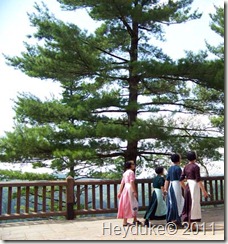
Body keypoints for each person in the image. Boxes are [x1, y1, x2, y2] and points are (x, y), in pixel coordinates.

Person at [180, 151, 209, 230]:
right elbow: (198, 180)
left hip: (188, 186)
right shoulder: (196, 167)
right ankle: (192, 226)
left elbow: (181, 179)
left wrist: (185, 187)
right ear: (195, 157)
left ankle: (189, 225)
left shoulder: (186, 167)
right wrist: (204, 191)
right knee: (194, 205)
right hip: (194, 186)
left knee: (188, 204)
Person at [117, 160, 142, 226]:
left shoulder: (125, 173)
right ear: (130, 165)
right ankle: (132, 220)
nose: (134, 165)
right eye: (133, 164)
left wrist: (119, 191)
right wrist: (134, 191)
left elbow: (122, 182)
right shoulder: (131, 172)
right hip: (130, 188)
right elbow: (131, 182)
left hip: (125, 188)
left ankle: (132, 220)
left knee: (126, 204)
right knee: (134, 203)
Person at [164, 153, 185, 227]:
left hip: (171, 186)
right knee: (177, 202)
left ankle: (173, 220)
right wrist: (185, 188)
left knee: (172, 203)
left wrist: (165, 189)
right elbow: (181, 180)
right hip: (176, 186)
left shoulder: (170, 168)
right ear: (178, 160)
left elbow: (167, 180)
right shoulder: (178, 168)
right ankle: (175, 220)